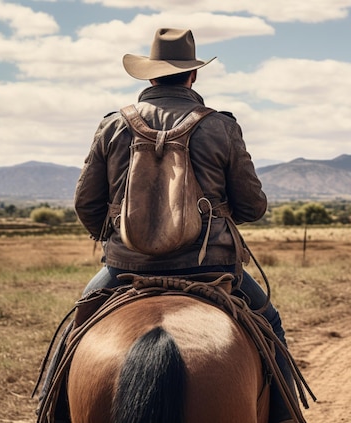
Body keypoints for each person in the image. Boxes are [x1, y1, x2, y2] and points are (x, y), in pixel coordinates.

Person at [72, 28, 297, 423]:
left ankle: (46, 410)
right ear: (193, 75)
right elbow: (252, 206)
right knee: (270, 322)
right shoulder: (221, 126)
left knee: (75, 330)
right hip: (210, 267)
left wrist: (115, 237)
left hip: (126, 269)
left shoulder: (113, 125)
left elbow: (86, 204)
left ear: (150, 76)